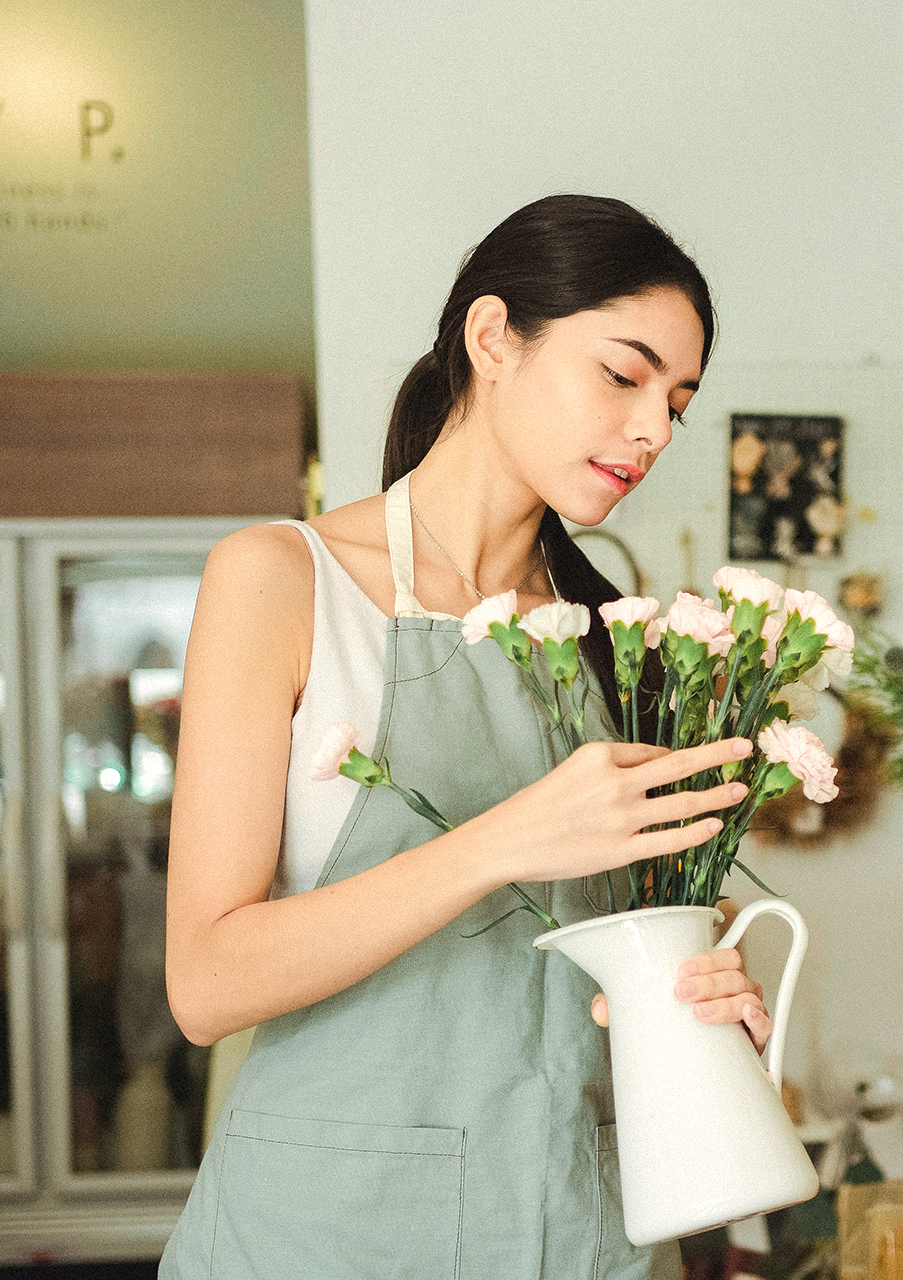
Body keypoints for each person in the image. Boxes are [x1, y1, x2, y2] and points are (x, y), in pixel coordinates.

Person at [160, 195, 768, 1277]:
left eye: (678, 402)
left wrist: (698, 1000)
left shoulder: (617, 644)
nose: (654, 431)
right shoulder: (283, 581)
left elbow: (615, 978)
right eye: (623, 376)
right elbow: (205, 982)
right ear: (492, 338)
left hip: (580, 1229)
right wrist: (504, 838)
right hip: (329, 1233)